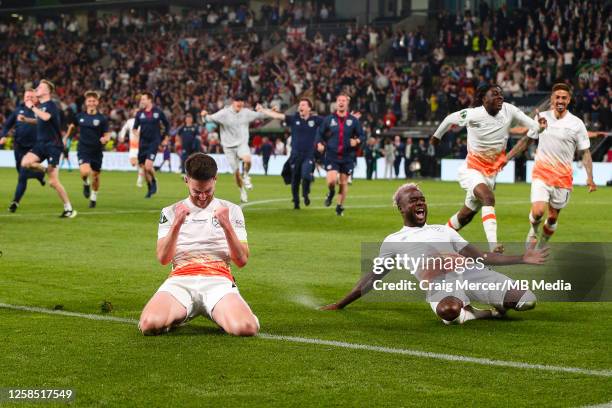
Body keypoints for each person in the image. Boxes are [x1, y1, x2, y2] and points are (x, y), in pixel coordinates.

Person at [321, 183, 548, 325]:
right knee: (448, 311)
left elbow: (480, 257)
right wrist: (341, 304)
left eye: (422, 200)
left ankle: (493, 305)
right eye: (413, 201)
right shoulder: (393, 241)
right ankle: (478, 313)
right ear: (401, 208)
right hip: (440, 284)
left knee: (527, 302)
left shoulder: (444, 230)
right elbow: (373, 277)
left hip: (472, 274)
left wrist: (522, 257)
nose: (420, 203)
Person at [138, 153, 259, 336]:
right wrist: (177, 223)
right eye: (196, 192)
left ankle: (228, 312)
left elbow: (241, 261)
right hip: (180, 280)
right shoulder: (170, 211)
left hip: (218, 281)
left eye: (207, 191)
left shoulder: (232, 210)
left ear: (215, 179)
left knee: (246, 328)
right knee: (149, 324)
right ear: (186, 180)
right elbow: (163, 258)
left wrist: (227, 225)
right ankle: (182, 313)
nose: (202, 197)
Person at [430, 84, 543, 252]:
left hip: (490, 174)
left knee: (465, 216)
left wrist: (538, 126)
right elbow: (449, 120)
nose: (500, 97)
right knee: (488, 198)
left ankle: (440, 239)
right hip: (471, 169)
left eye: (501, 94)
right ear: (484, 98)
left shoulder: (509, 110)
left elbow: (534, 126)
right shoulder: (473, 114)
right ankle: (493, 245)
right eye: (495, 94)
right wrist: (436, 137)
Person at [502, 83, 597, 246]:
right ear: (552, 99)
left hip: (563, 177)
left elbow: (585, 152)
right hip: (542, 172)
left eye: (564, 98)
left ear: (569, 100)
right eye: (557, 97)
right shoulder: (542, 118)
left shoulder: (577, 124)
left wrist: (590, 178)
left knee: (552, 217)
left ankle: (542, 243)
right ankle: (533, 230)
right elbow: (527, 140)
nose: (560, 100)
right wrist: (507, 157)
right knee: (538, 212)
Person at [21, 79, 76, 218]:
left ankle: (69, 208)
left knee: (53, 182)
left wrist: (32, 107)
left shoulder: (51, 105)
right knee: (25, 162)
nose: (37, 89)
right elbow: (40, 120)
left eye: (40, 87)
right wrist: (27, 120)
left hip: (53, 145)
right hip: (41, 144)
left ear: (47, 91)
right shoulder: (42, 106)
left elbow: (45, 117)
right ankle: (45, 169)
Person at [201, 94, 269, 203]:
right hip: (228, 147)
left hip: (241, 144)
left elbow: (260, 115)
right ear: (233, 102)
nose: (240, 103)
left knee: (247, 160)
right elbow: (209, 119)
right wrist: (204, 115)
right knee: (236, 173)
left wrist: (269, 111)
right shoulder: (224, 113)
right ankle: (242, 190)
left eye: (242, 100)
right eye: (238, 100)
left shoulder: (246, 113)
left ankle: (246, 175)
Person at [257, 98, 322, 209]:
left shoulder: (315, 120)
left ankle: (305, 194)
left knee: (306, 176)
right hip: (295, 155)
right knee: (295, 180)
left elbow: (330, 122)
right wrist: (263, 110)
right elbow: (277, 116)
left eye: (303, 105)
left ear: (309, 108)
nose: (300, 107)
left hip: (309, 155)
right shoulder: (294, 119)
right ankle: (296, 202)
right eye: (300, 105)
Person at [316, 94, 365, 216]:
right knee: (332, 181)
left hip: (347, 156)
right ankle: (331, 192)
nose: (341, 102)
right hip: (332, 155)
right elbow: (319, 133)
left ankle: (339, 206)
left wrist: (357, 141)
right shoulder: (329, 119)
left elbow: (362, 135)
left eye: (343, 100)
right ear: (336, 103)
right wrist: (319, 144)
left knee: (343, 182)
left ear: (347, 103)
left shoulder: (353, 121)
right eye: (339, 100)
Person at [1, 88, 45, 213]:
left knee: (22, 176)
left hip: (34, 149)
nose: (29, 99)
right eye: (27, 96)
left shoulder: (40, 110)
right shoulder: (17, 110)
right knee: (21, 173)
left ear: (36, 98)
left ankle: (15, 202)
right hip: (18, 147)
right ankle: (39, 175)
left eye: (32, 96)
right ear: (23, 97)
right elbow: (7, 125)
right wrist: (3, 135)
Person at [64, 90, 111, 208]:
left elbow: (107, 134)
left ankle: (94, 197)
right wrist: (66, 137)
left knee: (95, 176)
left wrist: (105, 139)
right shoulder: (80, 116)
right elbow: (72, 127)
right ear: (86, 102)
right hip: (83, 149)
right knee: (85, 172)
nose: (91, 102)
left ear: (97, 102)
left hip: (97, 151)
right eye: (89, 100)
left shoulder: (102, 119)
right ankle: (85, 182)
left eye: (93, 101)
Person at [133, 92, 170, 198]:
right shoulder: (139, 113)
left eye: (143, 99)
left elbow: (167, 125)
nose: (142, 101)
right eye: (141, 100)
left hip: (154, 142)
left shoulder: (158, 112)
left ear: (150, 100)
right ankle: (149, 187)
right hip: (142, 143)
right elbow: (135, 128)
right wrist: (136, 133)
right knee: (144, 168)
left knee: (148, 166)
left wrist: (165, 138)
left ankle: (154, 181)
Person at [118, 107, 143, 187]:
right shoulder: (130, 121)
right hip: (133, 145)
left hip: (142, 145)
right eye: (135, 111)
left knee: (141, 164)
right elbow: (124, 129)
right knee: (133, 163)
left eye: (138, 111)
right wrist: (122, 136)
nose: (136, 113)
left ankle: (140, 179)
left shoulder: (144, 121)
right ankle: (142, 173)